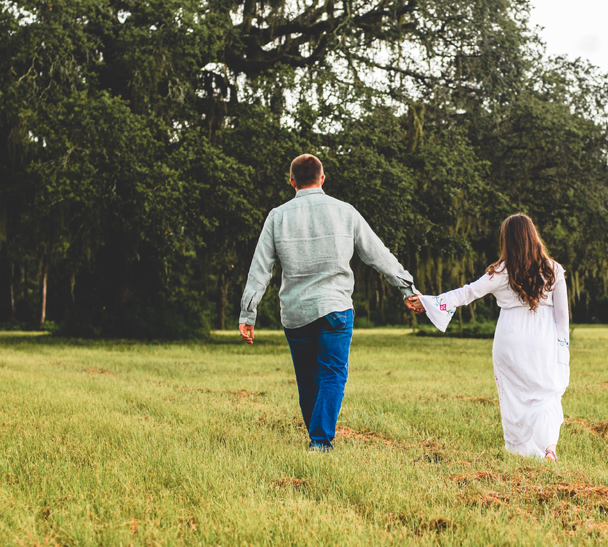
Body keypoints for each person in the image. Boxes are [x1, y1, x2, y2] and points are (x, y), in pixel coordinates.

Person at [238, 154, 425, 452]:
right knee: (333, 374)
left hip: (296, 312)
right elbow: (378, 254)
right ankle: (320, 441)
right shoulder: (345, 211)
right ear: (322, 179)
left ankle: (317, 439)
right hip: (335, 308)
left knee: (308, 380)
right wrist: (407, 288)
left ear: (292, 182)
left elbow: (260, 269)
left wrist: (248, 314)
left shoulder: (277, 216)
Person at [419, 214, 569, 460]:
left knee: (514, 394)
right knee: (545, 394)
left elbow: (467, 293)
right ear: (534, 236)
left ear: (507, 241)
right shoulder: (554, 270)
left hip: (510, 340)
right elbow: (562, 318)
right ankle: (548, 447)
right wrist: (562, 350)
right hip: (543, 340)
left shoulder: (500, 271)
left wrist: (429, 302)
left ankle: (521, 450)